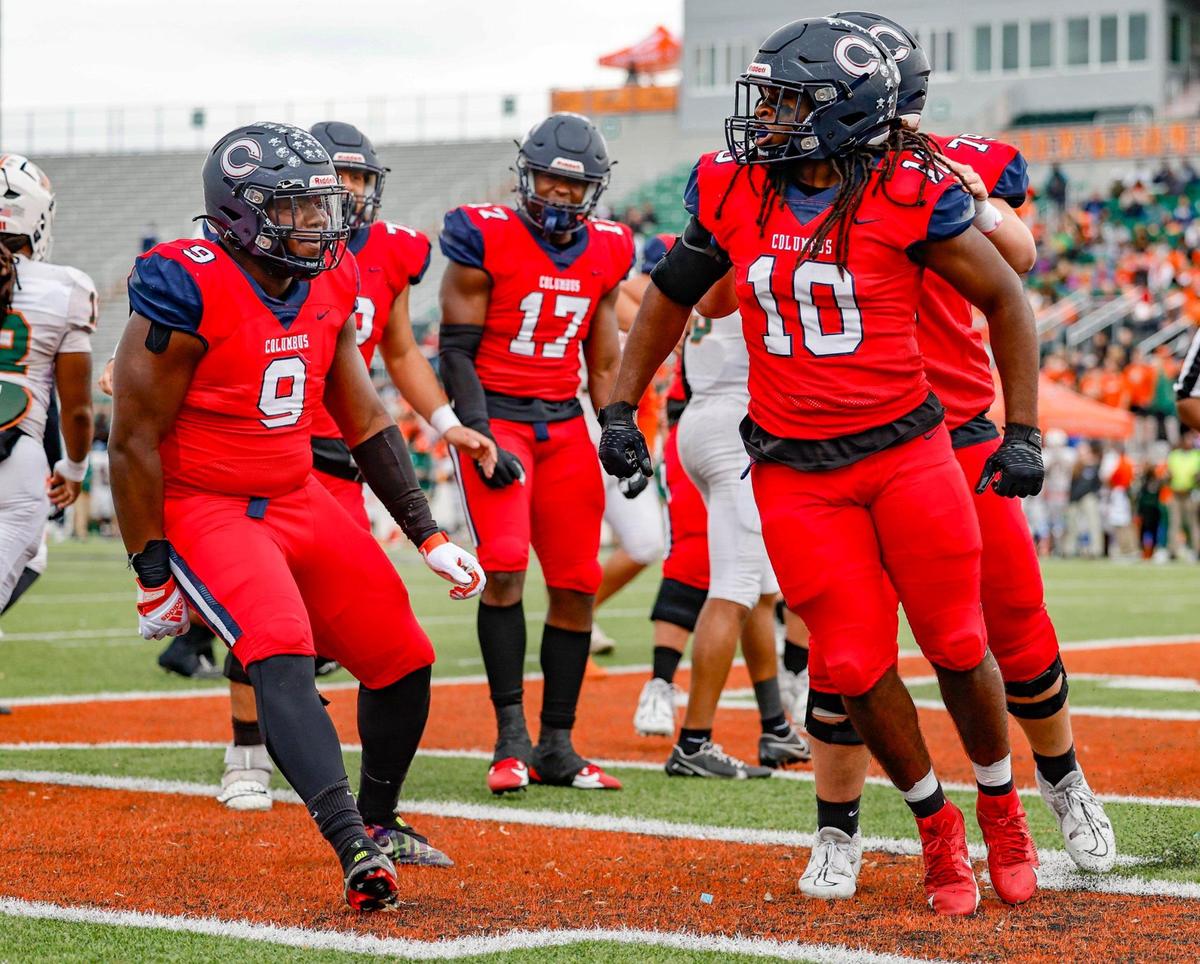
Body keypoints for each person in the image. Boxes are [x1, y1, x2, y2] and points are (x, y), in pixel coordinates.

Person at [598, 17, 1040, 915]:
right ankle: (933, 824)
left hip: (909, 453)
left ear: (851, 112)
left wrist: (1021, 428)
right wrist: (616, 404)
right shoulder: (732, 187)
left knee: (958, 643)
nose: (767, 117)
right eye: (768, 98)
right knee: (852, 661)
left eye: (790, 101)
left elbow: (1007, 294)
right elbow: (673, 295)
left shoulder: (910, 186)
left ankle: (1001, 803)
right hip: (795, 471)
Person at [109, 122, 485, 911]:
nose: (321, 223)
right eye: (298, 208)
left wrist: (428, 531)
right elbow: (134, 439)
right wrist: (151, 570)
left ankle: (378, 821)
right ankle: (352, 844)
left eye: (321, 207)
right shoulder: (185, 281)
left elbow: (365, 418)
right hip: (209, 506)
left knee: (403, 658)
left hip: (298, 495)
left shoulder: (324, 280)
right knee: (278, 647)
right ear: (242, 213)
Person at [782, 9, 1115, 896]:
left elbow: (1022, 258)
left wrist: (972, 195)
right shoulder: (786, 175)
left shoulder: (947, 167)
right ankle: (838, 829)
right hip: (836, 437)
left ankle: (1061, 781)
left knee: (1012, 625)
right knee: (846, 652)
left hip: (955, 427)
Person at [213, 120, 497, 816]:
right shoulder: (255, 255)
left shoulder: (390, 253)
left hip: (346, 446)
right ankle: (246, 748)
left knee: (347, 622)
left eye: (360, 180)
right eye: (334, 181)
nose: (347, 194)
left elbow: (398, 354)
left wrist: (446, 422)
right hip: (270, 445)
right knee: (271, 613)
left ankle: (362, 802)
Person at [438, 112, 632, 794]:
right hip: (500, 417)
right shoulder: (482, 235)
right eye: (547, 183)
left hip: (564, 422)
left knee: (578, 583)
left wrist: (617, 424)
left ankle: (558, 742)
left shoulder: (608, 248)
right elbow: (455, 353)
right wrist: (481, 431)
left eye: (571, 189)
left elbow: (603, 354)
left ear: (595, 193)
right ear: (527, 178)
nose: (557, 198)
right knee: (507, 570)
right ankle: (509, 738)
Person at [665, 286, 810, 777]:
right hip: (737, 423)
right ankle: (694, 742)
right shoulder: (751, 245)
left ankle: (775, 726)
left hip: (702, 417)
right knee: (735, 588)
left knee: (763, 587)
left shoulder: (710, 249)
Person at [0, 155, 95, 616]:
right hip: (15, 463)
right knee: (31, 555)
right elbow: (77, 410)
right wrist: (74, 470)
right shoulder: (63, 289)